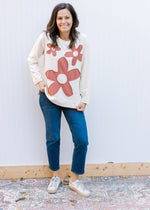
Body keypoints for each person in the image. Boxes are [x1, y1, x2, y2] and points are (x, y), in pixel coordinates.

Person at [27, 3, 90, 197]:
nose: (64, 21)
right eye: (60, 18)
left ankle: (74, 180)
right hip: (49, 97)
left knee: (82, 140)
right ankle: (55, 175)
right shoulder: (46, 38)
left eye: (67, 17)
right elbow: (32, 59)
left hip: (73, 99)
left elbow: (85, 70)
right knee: (53, 138)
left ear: (73, 20)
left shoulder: (82, 40)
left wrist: (84, 98)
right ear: (55, 20)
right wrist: (39, 82)